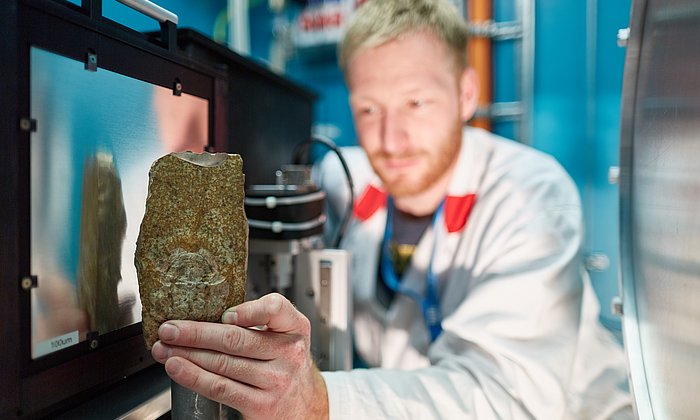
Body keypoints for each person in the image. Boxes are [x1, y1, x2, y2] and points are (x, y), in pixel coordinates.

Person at [150, 0, 633, 418]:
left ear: (466, 94)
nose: (390, 139)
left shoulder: (529, 194)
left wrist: (318, 402)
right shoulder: (344, 180)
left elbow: (506, 397)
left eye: (416, 103)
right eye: (368, 109)